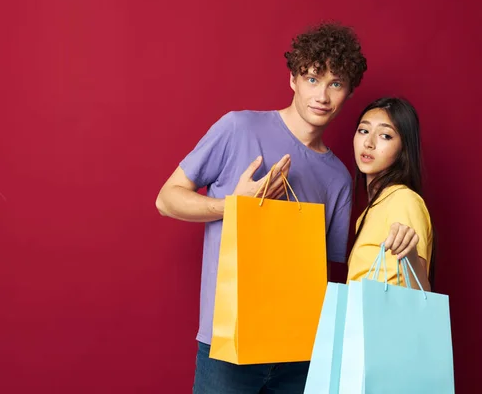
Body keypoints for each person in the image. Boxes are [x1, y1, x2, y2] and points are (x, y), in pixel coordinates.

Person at [155, 22, 418, 392]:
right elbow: (166, 199)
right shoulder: (239, 128)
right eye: (312, 79)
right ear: (293, 79)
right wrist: (234, 207)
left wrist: (404, 251)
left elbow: (327, 274)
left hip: (300, 352)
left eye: (336, 84)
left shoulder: (340, 177)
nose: (322, 95)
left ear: (348, 93)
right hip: (230, 347)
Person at [347, 97, 434, 291]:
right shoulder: (370, 211)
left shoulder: (402, 199)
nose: (369, 143)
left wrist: (410, 253)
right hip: (363, 317)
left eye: (385, 136)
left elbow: (421, 293)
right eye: (364, 130)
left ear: (403, 148)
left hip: (385, 319)